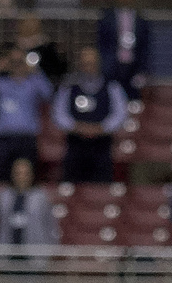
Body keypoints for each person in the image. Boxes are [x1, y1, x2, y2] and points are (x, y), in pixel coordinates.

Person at [0, 48, 53, 183]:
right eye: (13, 62)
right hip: (4, 138)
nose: (17, 65)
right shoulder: (0, 84)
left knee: (28, 180)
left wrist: (35, 70)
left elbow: (49, 93)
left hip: (27, 138)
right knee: (1, 179)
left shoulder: (33, 84)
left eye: (20, 61)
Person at [52, 46, 124, 184]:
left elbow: (120, 113)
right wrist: (76, 126)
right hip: (75, 145)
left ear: (98, 63)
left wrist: (102, 128)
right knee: (72, 186)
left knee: (101, 187)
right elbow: (58, 112)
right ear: (80, 64)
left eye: (92, 63)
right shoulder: (69, 86)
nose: (88, 67)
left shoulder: (112, 86)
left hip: (101, 147)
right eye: (85, 63)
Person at [0, 156, 58, 250]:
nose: (21, 177)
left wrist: (49, 249)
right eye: (18, 173)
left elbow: (50, 225)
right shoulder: (3, 197)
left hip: (35, 253)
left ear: (31, 175)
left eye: (25, 174)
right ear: (12, 175)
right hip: (6, 253)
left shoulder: (41, 197)